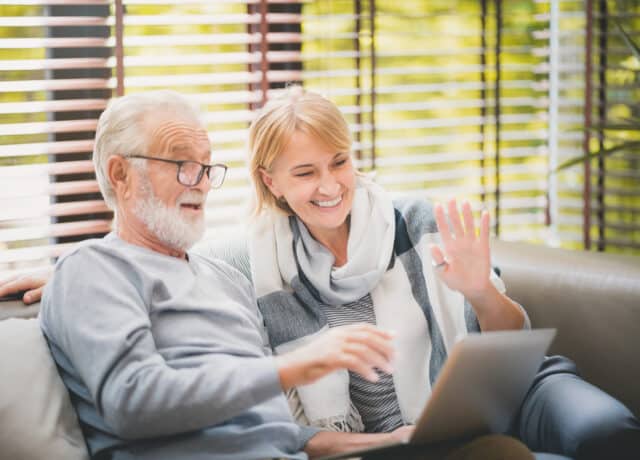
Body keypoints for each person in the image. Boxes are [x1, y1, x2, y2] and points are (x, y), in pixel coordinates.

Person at [21, 90, 534, 460]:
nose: (200, 182)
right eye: (181, 164)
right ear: (119, 175)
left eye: (207, 166)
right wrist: (297, 366)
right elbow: (134, 403)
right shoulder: (92, 270)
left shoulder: (225, 279)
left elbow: (285, 435)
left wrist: (390, 441)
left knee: (492, 452)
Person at [240, 86, 640, 460]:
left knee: (605, 430)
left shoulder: (415, 222)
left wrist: (480, 290)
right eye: (306, 173)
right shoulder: (262, 270)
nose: (330, 185)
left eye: (339, 162)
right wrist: (393, 440)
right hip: (394, 446)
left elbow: (513, 343)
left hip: (495, 401)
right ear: (271, 181)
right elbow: (287, 434)